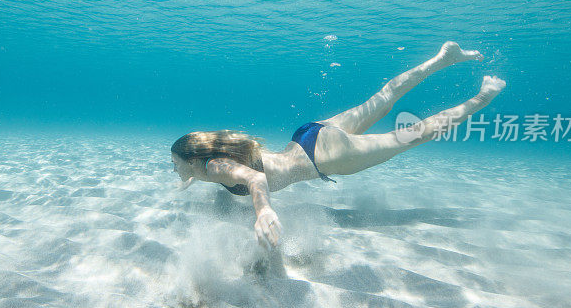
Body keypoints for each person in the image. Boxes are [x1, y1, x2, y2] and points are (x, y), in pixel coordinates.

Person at [171, 42, 505, 248]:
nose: (174, 169)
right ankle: (443, 58)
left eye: (177, 164)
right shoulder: (209, 162)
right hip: (308, 135)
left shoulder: (214, 167)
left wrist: (263, 211)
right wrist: (189, 177)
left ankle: (483, 96)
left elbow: (256, 179)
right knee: (384, 98)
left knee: (414, 135)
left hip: (324, 157)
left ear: (193, 160)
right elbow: (219, 171)